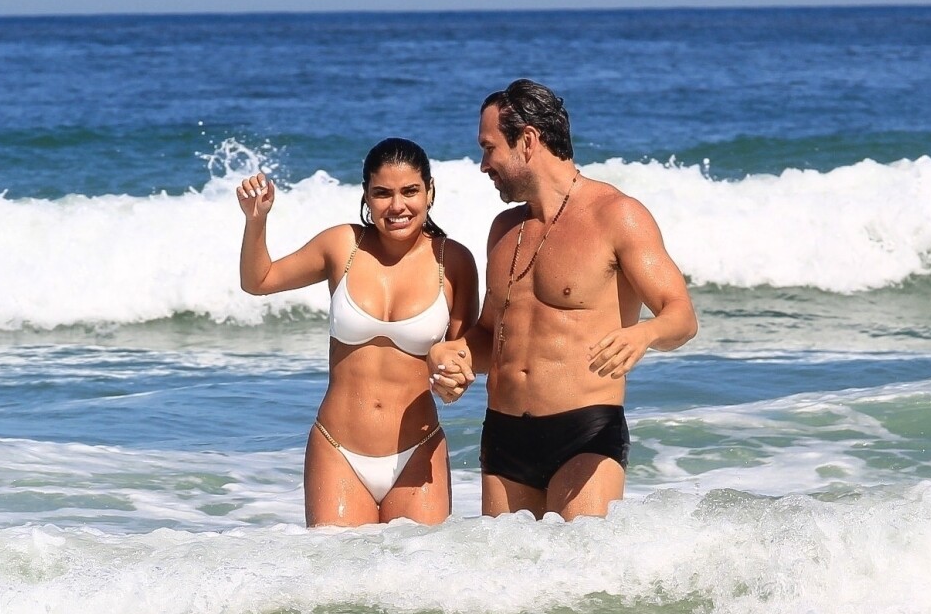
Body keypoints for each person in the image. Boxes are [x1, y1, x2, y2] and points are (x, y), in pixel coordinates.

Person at [428, 79, 697, 521]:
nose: (483, 165)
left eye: (489, 148)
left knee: (584, 581)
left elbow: (681, 316)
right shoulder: (503, 229)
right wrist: (452, 357)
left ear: (528, 141)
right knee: (509, 584)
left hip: (584, 434)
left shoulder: (616, 215)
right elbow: (488, 336)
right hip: (504, 437)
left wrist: (645, 334)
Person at [238, 138, 479, 527]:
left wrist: (453, 378)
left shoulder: (454, 261)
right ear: (366, 196)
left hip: (418, 452)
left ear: (430, 192)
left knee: (419, 584)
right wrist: (256, 220)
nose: (397, 206)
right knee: (337, 584)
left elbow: (465, 352)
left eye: (410, 191)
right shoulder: (342, 245)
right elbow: (259, 280)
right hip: (338, 450)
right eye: (382, 193)